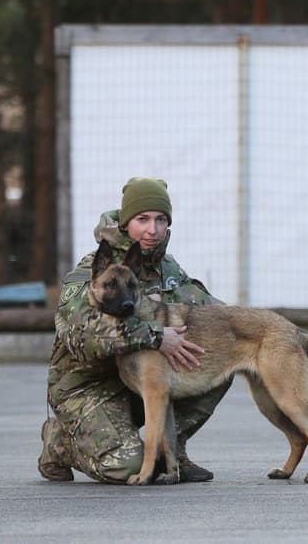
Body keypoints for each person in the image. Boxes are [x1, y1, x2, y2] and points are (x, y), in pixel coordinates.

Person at [38, 177, 231, 484]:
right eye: (142, 219)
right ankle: (62, 442)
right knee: (129, 467)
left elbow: (212, 314)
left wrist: (260, 331)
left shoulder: (168, 270)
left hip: (143, 379)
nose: (152, 230)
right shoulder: (94, 269)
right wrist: (155, 335)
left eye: (160, 220)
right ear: (126, 222)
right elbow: (83, 334)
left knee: (222, 357)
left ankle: (172, 451)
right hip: (89, 386)